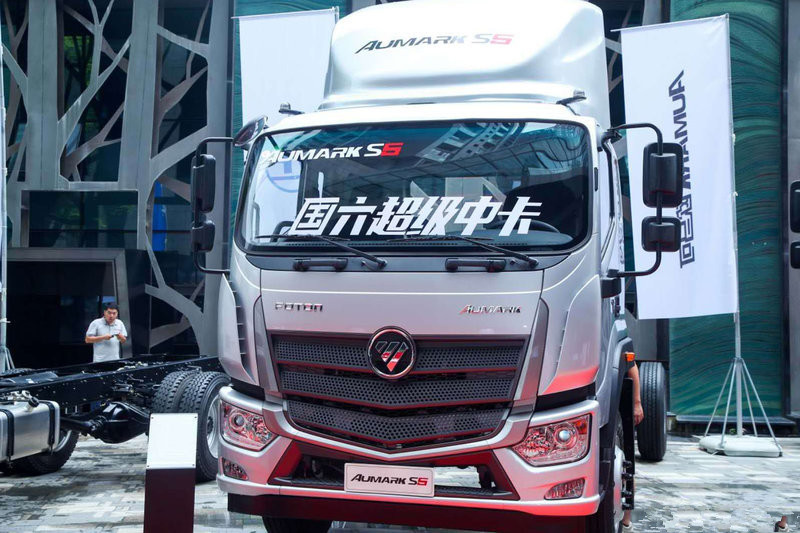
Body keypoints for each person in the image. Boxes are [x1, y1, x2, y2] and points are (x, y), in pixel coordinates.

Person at [622, 363, 645, 531]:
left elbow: (632, 367)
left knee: (626, 464)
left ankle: (626, 522)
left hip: (620, 404)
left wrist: (637, 403)